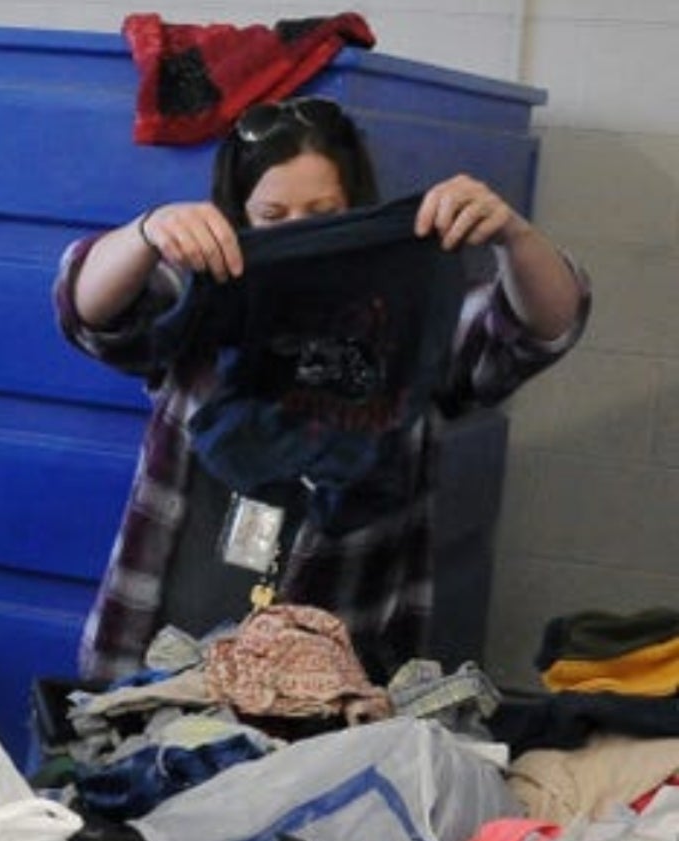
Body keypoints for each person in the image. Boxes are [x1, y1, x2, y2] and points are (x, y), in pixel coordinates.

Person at [55, 94, 589, 686]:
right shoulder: (206, 305)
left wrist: (513, 235)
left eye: (321, 212)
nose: (297, 234)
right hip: (158, 659)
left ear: (355, 208)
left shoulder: (408, 329)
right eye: (273, 216)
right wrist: (147, 230)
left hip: (337, 681)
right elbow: (88, 312)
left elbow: (539, 331)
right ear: (238, 214)